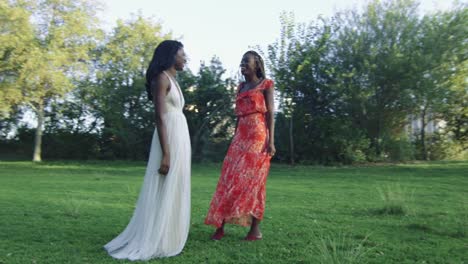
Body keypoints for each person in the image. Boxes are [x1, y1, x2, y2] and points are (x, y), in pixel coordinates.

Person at [104, 40, 191, 260]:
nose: (185, 58)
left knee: (176, 184)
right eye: (182, 54)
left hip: (180, 135)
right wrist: (167, 153)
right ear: (172, 56)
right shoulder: (161, 78)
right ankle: (155, 236)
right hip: (168, 137)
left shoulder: (174, 80)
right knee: (163, 183)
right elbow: (159, 117)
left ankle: (167, 235)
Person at [204, 50, 275, 241]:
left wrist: (271, 141)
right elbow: (238, 115)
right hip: (240, 136)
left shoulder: (266, 85)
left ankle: (254, 230)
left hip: (258, 136)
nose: (242, 64)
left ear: (257, 65)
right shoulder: (241, 87)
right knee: (229, 178)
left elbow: (270, 114)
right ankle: (220, 226)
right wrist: (234, 138)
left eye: (246, 61)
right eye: (241, 61)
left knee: (254, 182)